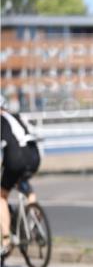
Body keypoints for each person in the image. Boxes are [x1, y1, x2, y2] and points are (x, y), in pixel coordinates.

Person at [1, 102, 41, 254]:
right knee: (22, 181)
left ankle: (6, 239)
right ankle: (36, 218)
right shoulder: (16, 117)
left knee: (1, 195)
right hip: (34, 156)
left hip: (16, 158)